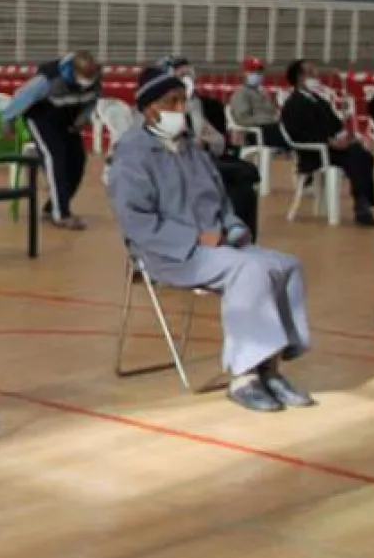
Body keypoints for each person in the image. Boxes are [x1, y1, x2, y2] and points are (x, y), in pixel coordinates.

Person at [108, 67, 315, 414]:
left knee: (285, 264)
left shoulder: (191, 148)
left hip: (214, 244)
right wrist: (195, 238)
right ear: (148, 109)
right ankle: (245, 375)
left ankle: (271, 366)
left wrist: (232, 230)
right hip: (169, 251)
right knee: (249, 270)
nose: (179, 108)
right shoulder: (132, 153)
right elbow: (136, 221)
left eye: (181, 101)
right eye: (170, 102)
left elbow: (220, 202)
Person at [158, 55, 260, 239]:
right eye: (180, 75)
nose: (186, 78)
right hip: (175, 162)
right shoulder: (158, 109)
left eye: (189, 74)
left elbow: (220, 143)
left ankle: (244, 238)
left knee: (243, 185)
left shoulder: (210, 106)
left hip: (207, 159)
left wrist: (207, 136)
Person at [2, 50, 103, 230]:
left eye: (91, 76)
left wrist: (83, 119)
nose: (88, 81)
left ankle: (52, 208)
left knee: (77, 162)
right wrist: (8, 120)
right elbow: (21, 96)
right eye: (84, 77)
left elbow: (92, 100)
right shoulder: (47, 80)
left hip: (68, 119)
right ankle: (61, 215)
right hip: (42, 119)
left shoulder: (95, 78)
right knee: (54, 158)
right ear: (73, 71)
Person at [280, 59, 374, 226]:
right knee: (356, 155)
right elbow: (297, 134)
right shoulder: (293, 104)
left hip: (333, 149)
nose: (315, 75)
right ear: (299, 77)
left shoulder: (319, 100)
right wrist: (327, 142)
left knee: (363, 154)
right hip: (314, 153)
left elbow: (336, 124)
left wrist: (346, 136)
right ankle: (362, 203)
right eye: (310, 72)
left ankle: (362, 201)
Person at [227, 57, 288, 150]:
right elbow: (243, 119)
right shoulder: (241, 94)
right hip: (256, 133)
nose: (257, 75)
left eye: (259, 72)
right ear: (244, 74)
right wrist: (269, 119)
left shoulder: (262, 93)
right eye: (253, 72)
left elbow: (273, 112)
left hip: (270, 128)